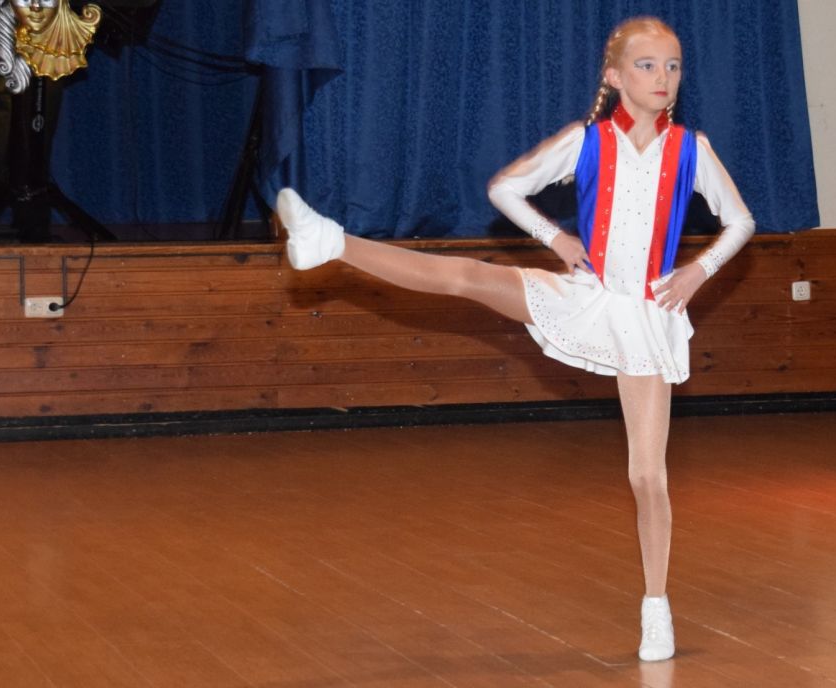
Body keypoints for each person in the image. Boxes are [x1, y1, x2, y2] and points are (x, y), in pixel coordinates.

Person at [275, 16, 754, 661]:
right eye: (647, 65)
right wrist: (555, 238)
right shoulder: (586, 141)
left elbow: (740, 220)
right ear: (615, 77)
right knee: (469, 277)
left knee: (648, 475)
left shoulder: (691, 149)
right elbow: (504, 188)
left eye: (672, 65)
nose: (662, 77)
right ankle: (330, 242)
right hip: (584, 296)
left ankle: (656, 606)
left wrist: (698, 271)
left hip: (644, 316)